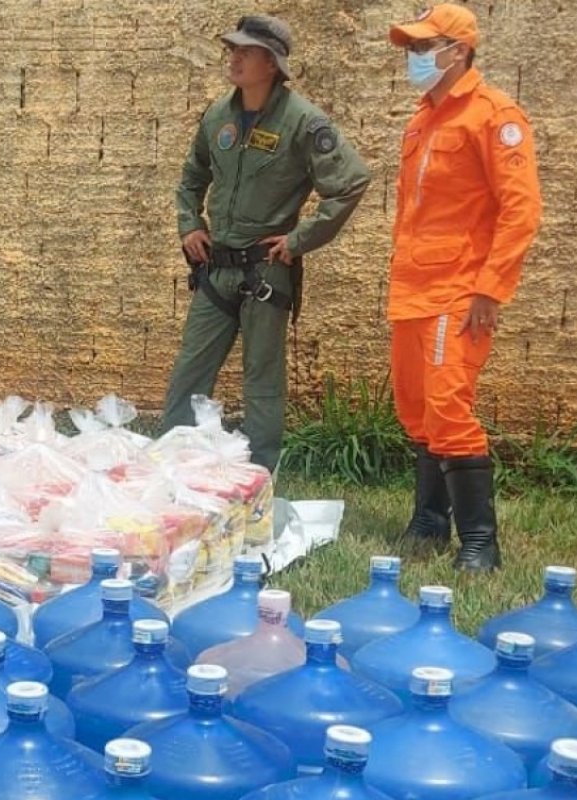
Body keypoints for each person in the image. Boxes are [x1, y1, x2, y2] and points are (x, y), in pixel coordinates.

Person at [160, 14, 370, 472]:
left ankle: (257, 479)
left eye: (246, 51)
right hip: (216, 269)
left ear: (272, 63)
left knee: (262, 382)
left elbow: (351, 182)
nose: (234, 57)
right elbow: (192, 177)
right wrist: (188, 224)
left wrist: (301, 239)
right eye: (231, 48)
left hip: (266, 271)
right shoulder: (218, 116)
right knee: (189, 373)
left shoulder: (303, 122)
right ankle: (173, 471)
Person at [387, 4, 542, 571]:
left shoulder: (494, 115)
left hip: (460, 291)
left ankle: (480, 542)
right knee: (417, 409)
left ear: (459, 50)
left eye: (425, 46)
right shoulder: (421, 119)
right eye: (411, 46)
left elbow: (520, 210)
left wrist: (489, 288)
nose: (414, 56)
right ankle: (429, 521)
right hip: (411, 288)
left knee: (449, 405)